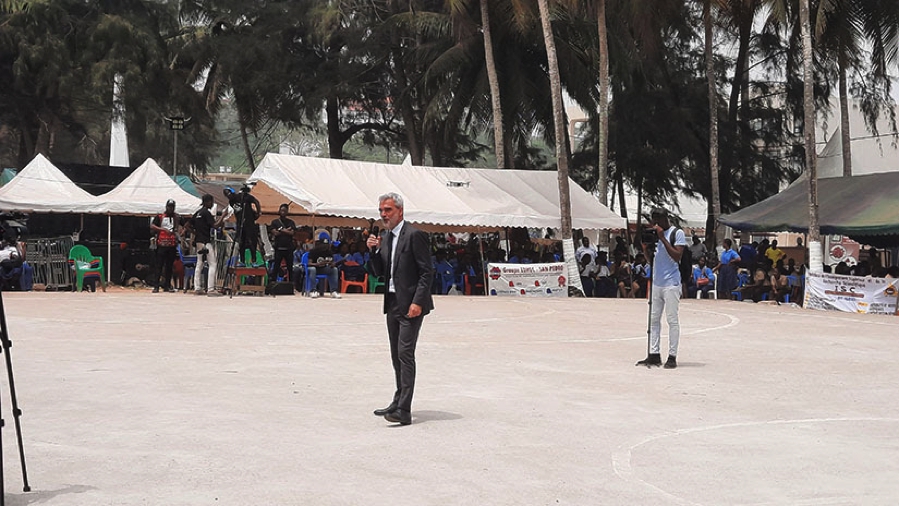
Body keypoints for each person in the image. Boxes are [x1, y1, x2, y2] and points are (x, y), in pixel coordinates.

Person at [366, 192, 434, 426]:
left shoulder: (414, 235)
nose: (384, 215)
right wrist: (373, 251)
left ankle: (404, 409)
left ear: (400, 211)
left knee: (405, 353)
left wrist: (418, 302)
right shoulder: (385, 238)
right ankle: (397, 400)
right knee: (396, 354)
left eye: (388, 210)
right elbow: (378, 271)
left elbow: (427, 272)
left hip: (411, 304)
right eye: (381, 211)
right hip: (392, 302)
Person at [636, 208, 687, 369]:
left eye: (659, 219)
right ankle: (654, 354)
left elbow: (677, 256)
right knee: (653, 320)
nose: (656, 223)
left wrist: (662, 239)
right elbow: (653, 260)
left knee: (672, 320)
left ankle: (672, 356)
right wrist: (645, 249)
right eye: (654, 219)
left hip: (671, 284)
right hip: (656, 283)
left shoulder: (676, 233)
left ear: (666, 218)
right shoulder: (654, 234)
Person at [192, 194, 225, 294]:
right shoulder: (206, 213)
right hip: (206, 242)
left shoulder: (197, 213)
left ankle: (197, 288)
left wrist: (196, 232)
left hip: (198, 242)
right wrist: (222, 216)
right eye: (211, 201)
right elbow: (215, 226)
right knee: (213, 263)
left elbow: (187, 225)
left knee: (199, 264)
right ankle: (211, 289)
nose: (212, 203)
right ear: (207, 201)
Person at [150, 199, 183, 293]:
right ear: (166, 207)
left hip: (172, 245)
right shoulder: (160, 216)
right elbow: (152, 226)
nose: (171, 209)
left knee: (169, 266)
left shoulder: (177, 217)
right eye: (169, 207)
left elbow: (185, 224)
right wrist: (162, 229)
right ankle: (156, 286)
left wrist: (180, 233)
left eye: (172, 207)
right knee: (159, 266)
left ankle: (167, 285)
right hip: (161, 244)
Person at [306, 232, 341, 299]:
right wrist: (317, 264)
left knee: (334, 270)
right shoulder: (313, 251)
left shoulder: (329, 252)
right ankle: (313, 290)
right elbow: (308, 263)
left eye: (326, 245)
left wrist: (332, 264)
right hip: (313, 269)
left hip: (323, 269)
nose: (325, 246)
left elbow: (332, 261)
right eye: (323, 245)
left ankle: (334, 291)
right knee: (313, 269)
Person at [268, 203, 297, 282]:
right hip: (278, 248)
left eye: (284, 211)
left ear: (287, 211)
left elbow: (292, 233)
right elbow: (275, 233)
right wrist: (286, 230)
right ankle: (273, 283)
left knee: (290, 267)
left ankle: (290, 284)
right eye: (281, 210)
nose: (283, 212)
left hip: (289, 248)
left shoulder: (291, 222)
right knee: (276, 266)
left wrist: (281, 230)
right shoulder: (275, 222)